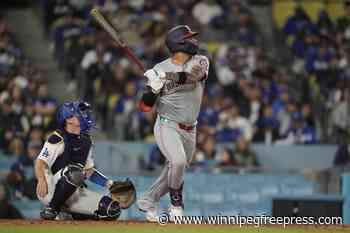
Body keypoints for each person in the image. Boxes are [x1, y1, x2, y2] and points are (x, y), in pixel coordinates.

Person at [137, 25, 210, 221]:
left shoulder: (201, 60)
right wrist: (152, 89)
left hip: (191, 128)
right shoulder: (159, 69)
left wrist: (165, 77)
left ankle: (147, 200)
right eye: (189, 38)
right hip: (167, 124)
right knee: (177, 162)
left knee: (176, 169)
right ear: (178, 43)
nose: (194, 41)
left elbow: (194, 78)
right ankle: (176, 205)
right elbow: (145, 106)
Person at [35, 100, 136, 220]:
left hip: (73, 191)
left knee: (112, 210)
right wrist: (41, 179)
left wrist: (109, 184)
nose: (84, 115)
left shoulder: (86, 140)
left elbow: (89, 171)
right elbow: (40, 162)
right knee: (75, 172)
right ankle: (52, 208)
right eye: (80, 112)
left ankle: (70, 214)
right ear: (69, 119)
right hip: (50, 189)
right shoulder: (58, 137)